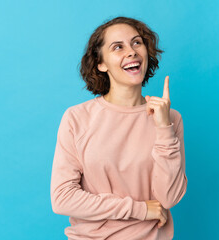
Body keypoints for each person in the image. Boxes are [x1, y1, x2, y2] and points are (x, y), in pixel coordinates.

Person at [50, 16, 187, 240]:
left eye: (136, 43)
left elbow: (169, 198)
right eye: (118, 47)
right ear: (101, 64)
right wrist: (139, 210)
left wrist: (164, 128)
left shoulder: (171, 119)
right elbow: (62, 198)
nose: (131, 52)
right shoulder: (77, 118)